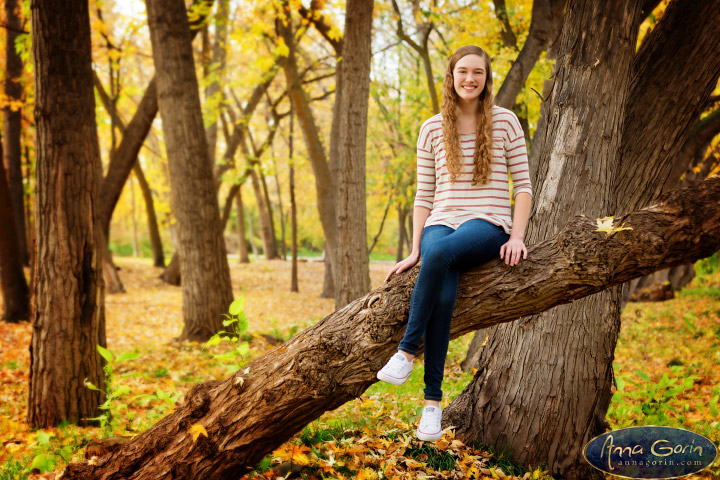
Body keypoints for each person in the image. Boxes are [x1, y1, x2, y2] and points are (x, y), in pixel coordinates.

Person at [377, 45, 532, 442]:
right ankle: (432, 406)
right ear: (451, 76)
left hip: (488, 223)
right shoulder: (431, 128)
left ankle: (406, 352)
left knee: (441, 253)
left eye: (477, 72)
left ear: (486, 79)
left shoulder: (505, 122)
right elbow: (423, 197)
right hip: (440, 223)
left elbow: (524, 188)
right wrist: (414, 250)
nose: (470, 79)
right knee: (442, 293)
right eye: (463, 71)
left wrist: (517, 236)